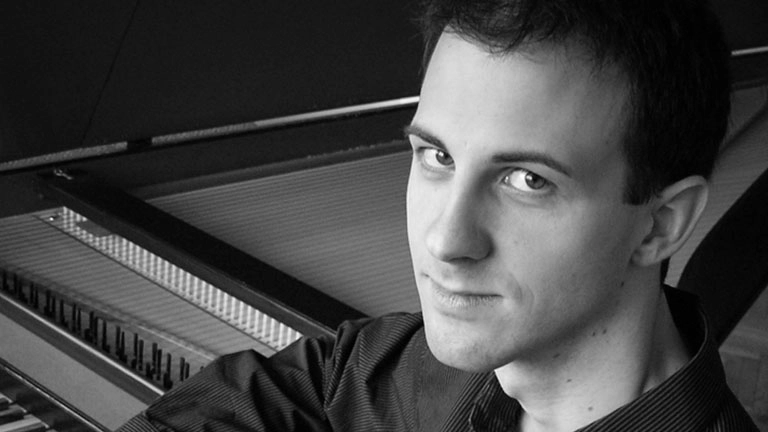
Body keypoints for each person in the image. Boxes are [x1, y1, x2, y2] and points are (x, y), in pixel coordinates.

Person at [118, 0, 759, 431]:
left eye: (527, 180)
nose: (446, 240)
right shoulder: (409, 365)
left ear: (660, 224)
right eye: (437, 156)